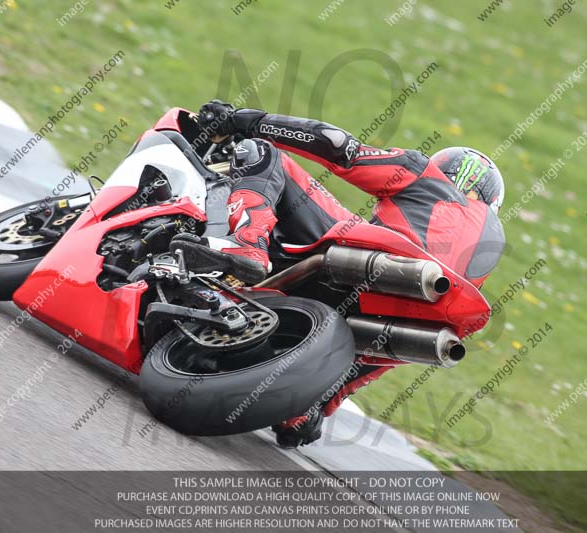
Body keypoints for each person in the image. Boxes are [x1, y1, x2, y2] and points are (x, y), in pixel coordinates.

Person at [174, 99, 506, 447]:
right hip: (412, 312)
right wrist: (320, 402)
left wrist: (245, 121)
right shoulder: (491, 246)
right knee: (405, 332)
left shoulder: (426, 174)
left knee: (261, 153)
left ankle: (247, 242)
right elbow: (385, 354)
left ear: (447, 168)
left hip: (376, 256)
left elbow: (336, 145)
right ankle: (303, 403)